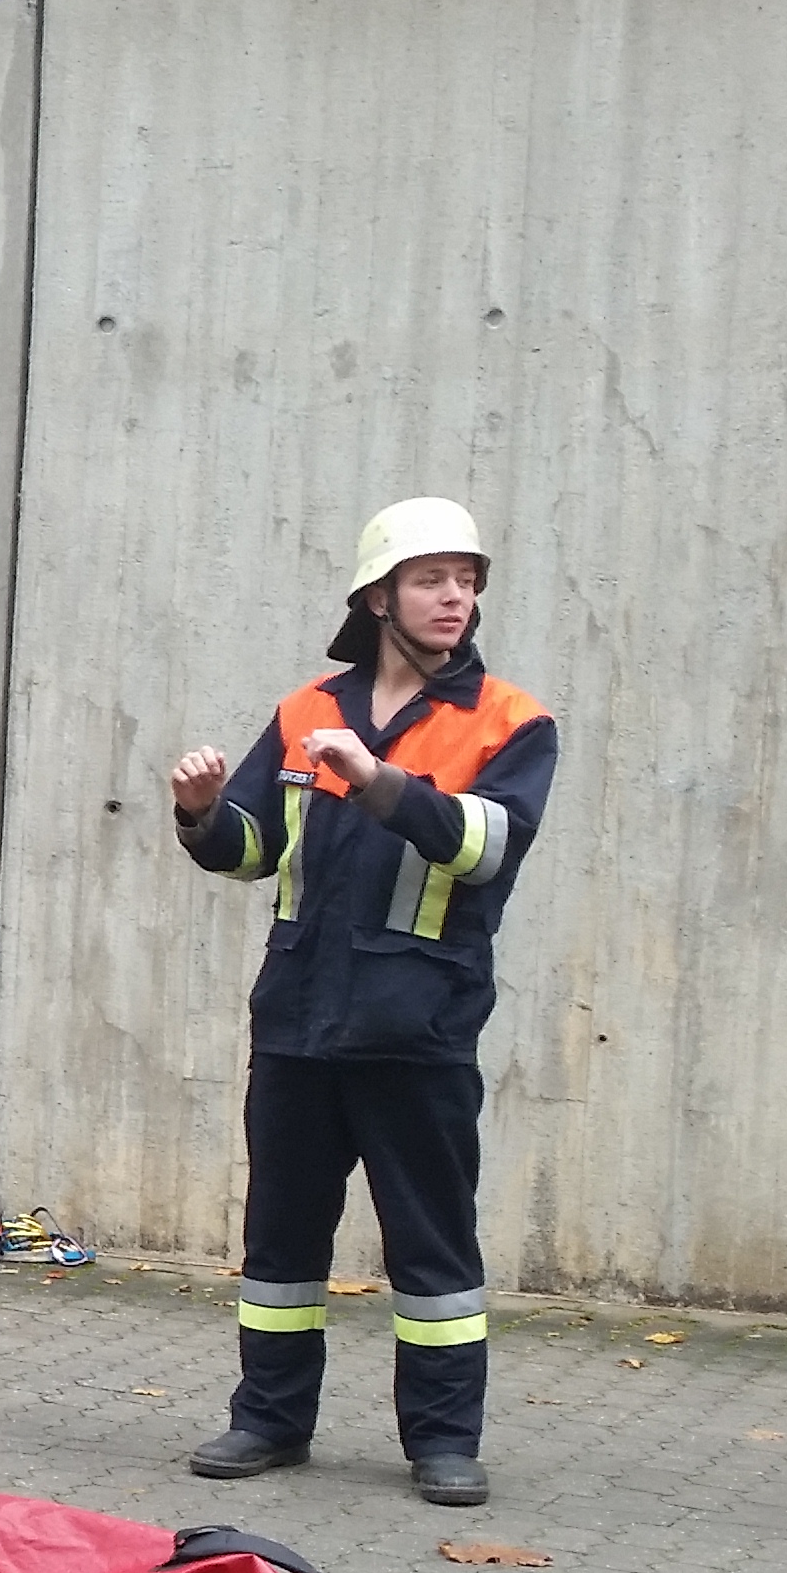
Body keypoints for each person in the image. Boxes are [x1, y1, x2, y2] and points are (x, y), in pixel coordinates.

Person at [164, 495, 558, 1506]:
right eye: (430, 579)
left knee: (432, 1246)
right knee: (279, 1240)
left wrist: (380, 782)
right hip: (296, 1022)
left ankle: (440, 1439)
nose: (453, 597)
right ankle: (266, 1420)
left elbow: (487, 846)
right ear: (377, 596)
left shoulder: (510, 722)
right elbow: (253, 850)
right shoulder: (305, 711)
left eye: (465, 580)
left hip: (415, 1029)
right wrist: (201, 814)